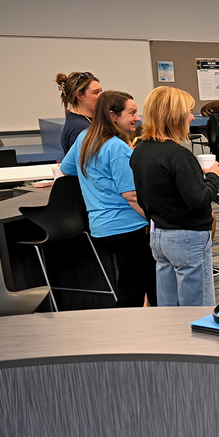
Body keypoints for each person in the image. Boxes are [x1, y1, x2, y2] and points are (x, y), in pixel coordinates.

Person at [60, 90, 156, 307]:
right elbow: (131, 195)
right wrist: (156, 220)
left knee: (131, 282)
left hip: (101, 228)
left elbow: (66, 170)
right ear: (113, 116)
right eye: (132, 113)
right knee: (137, 287)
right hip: (128, 227)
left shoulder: (84, 138)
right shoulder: (117, 148)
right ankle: (129, 335)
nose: (137, 118)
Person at [131, 86, 219, 307]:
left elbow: (143, 199)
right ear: (174, 115)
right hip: (188, 238)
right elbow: (198, 201)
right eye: (189, 111)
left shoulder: (140, 150)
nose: (192, 117)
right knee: (197, 309)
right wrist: (212, 177)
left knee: (169, 307)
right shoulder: (179, 156)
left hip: (159, 236)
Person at [55, 71, 103, 153]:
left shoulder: (85, 120)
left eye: (101, 91)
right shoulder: (79, 128)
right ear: (80, 96)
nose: (101, 95)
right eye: (96, 92)